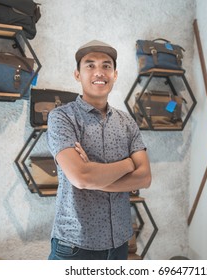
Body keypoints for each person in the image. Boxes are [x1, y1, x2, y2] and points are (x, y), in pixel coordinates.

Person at [47, 40, 152, 260]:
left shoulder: (127, 122)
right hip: (75, 244)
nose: (99, 72)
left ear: (115, 74)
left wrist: (95, 176)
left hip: (120, 243)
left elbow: (144, 178)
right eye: (90, 65)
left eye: (106, 66)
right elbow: (82, 177)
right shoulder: (62, 118)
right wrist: (128, 164)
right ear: (77, 74)